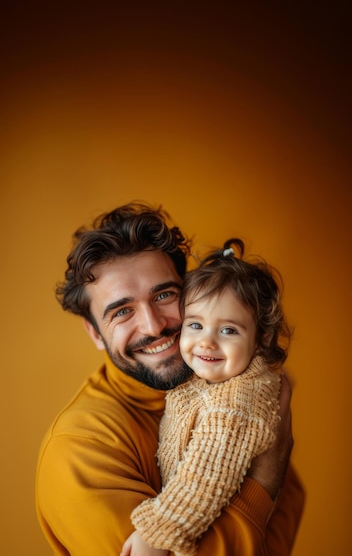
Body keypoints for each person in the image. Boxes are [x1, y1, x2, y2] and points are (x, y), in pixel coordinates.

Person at [36, 202, 305, 556]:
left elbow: (286, 519)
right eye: (122, 311)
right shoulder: (78, 451)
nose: (154, 326)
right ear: (95, 332)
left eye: (164, 295)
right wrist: (264, 481)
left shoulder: (226, 386)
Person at [121, 239, 293, 556]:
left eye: (228, 330)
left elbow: (206, 476)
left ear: (262, 338)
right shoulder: (204, 379)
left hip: (211, 533)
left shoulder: (240, 398)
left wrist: (156, 535)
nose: (206, 343)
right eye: (196, 325)